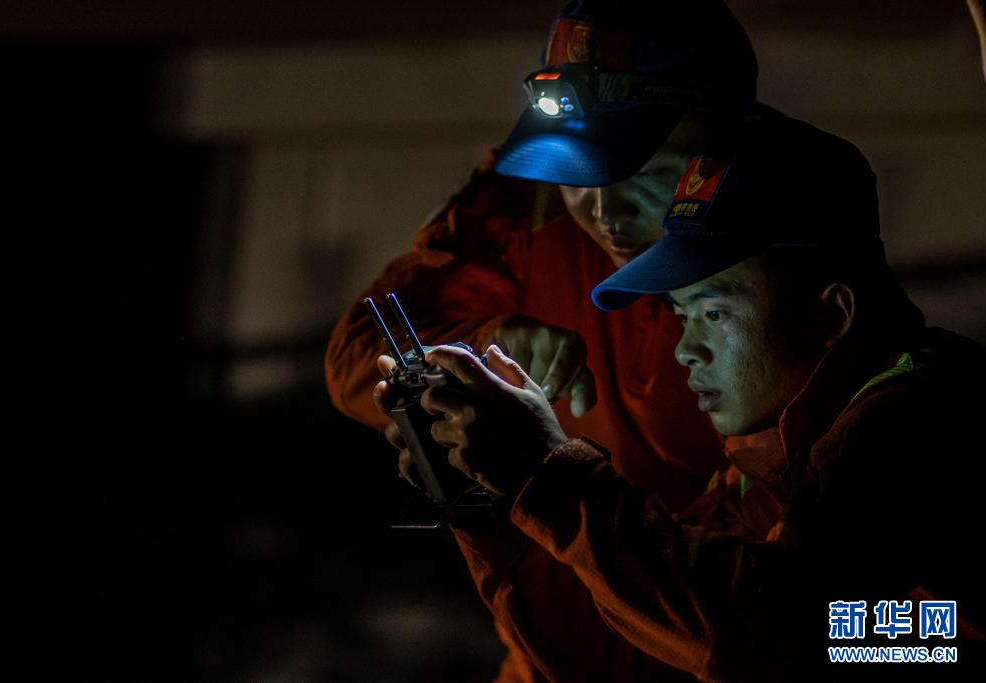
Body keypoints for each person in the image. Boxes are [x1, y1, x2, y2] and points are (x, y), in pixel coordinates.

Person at [393, 111, 985, 680]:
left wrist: (546, 470)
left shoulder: (924, 419)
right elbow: (630, 662)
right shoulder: (768, 459)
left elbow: (771, 635)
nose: (685, 350)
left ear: (832, 313)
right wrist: (488, 504)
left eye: (715, 312)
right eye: (681, 314)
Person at [327, 1, 766, 678]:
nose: (606, 211)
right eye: (577, 171)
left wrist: (541, 474)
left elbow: (760, 629)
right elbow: (356, 353)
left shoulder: (786, 296)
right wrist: (480, 346)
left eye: (646, 167)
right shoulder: (527, 199)